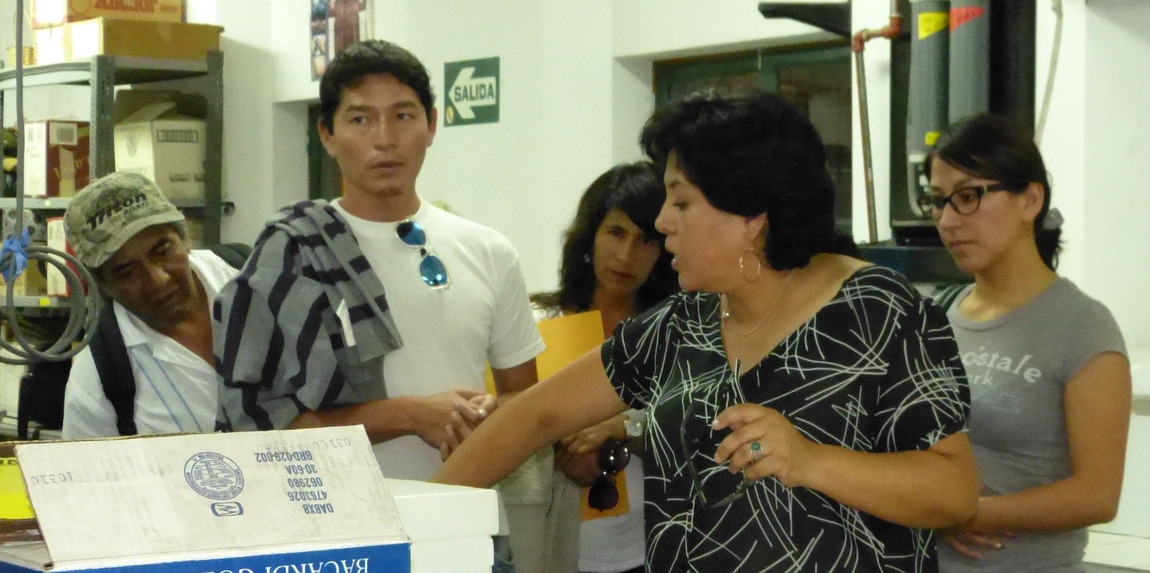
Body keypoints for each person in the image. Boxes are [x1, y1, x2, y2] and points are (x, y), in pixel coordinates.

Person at [433, 89, 979, 572]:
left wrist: (811, 460)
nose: (663, 221)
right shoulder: (683, 323)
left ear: (752, 216)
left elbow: (953, 492)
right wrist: (412, 522)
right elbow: (535, 417)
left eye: (682, 201)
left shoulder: (877, 309)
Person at [212, 39, 543, 571]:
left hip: (466, 533)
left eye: (403, 116)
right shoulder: (290, 255)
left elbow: (524, 400)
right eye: (361, 119)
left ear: (431, 125)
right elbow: (264, 426)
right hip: (339, 540)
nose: (384, 139)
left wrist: (482, 415)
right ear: (327, 134)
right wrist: (410, 415)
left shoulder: (488, 250)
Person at [921, 113, 1131, 572]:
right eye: (937, 201)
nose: (948, 220)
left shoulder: (1082, 326)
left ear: (1030, 200)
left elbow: (1097, 495)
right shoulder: (939, 315)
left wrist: (962, 513)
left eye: (969, 196)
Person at [530, 161, 677, 573]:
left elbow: (696, 430)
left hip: (648, 547)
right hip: (551, 542)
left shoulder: (673, 332)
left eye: (646, 240)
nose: (626, 255)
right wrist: (561, 449)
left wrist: (623, 428)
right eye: (615, 233)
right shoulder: (538, 324)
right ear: (589, 236)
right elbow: (510, 422)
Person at [60, 171, 241, 438]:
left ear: (185, 239)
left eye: (163, 251)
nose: (158, 280)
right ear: (104, 286)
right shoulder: (99, 378)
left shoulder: (254, 281)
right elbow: (85, 466)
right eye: (127, 272)